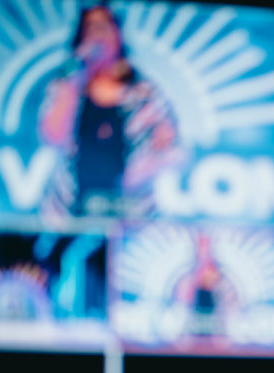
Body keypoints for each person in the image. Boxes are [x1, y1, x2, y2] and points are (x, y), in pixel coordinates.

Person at [38, 4, 183, 217]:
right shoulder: (65, 86)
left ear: (118, 34)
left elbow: (174, 150)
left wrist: (139, 172)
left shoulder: (144, 92)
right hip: (69, 211)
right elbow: (53, 135)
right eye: (91, 27)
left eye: (104, 26)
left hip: (132, 213)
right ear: (80, 36)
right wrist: (77, 74)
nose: (98, 34)